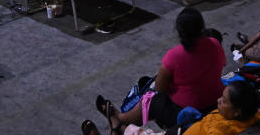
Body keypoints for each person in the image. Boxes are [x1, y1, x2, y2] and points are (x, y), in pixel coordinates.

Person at [93, 8, 225, 132]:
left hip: (187, 111)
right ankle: (125, 121)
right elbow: (221, 65)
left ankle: (121, 120)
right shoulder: (214, 43)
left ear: (179, 32)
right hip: (215, 101)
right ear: (202, 27)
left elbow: (160, 88)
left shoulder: (174, 56)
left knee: (152, 98)